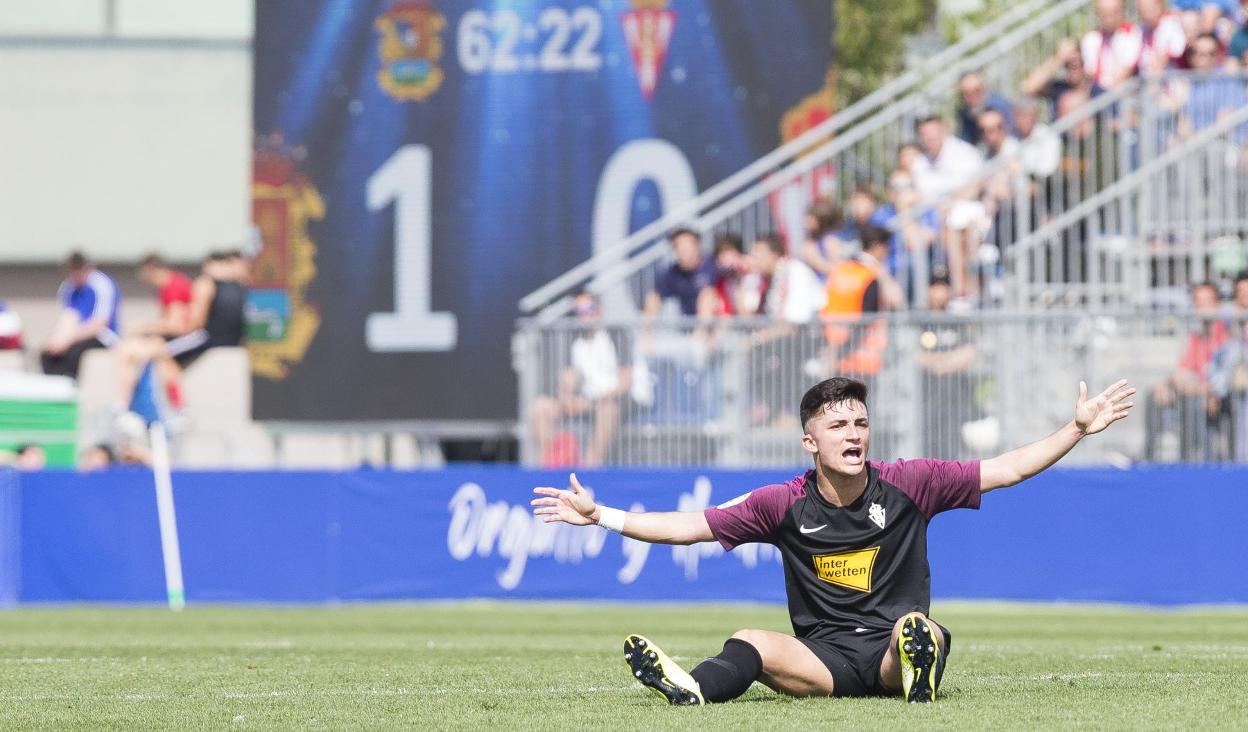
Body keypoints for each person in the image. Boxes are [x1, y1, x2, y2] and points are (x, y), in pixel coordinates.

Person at [532, 375, 1135, 705]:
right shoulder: (781, 503)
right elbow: (690, 527)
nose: (854, 434)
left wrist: (1076, 430)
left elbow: (1007, 469)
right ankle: (691, 688)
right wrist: (601, 515)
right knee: (748, 641)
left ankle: (917, 671)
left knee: (916, 633)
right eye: (838, 425)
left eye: (861, 423)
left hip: (890, 647)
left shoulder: (911, 482)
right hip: (823, 659)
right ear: (810, 442)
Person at [112, 252, 248, 419]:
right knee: (151, 351)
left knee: (160, 351)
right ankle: (128, 405)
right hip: (226, 338)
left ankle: (177, 408)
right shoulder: (240, 285)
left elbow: (188, 323)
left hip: (208, 337)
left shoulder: (196, 285)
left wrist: (145, 327)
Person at [530, 292, 628, 467]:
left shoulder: (616, 335)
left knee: (608, 410)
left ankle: (587, 471)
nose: (585, 315)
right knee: (540, 406)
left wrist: (591, 401)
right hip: (584, 402)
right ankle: (549, 468)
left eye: (589, 309)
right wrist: (567, 399)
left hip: (610, 401)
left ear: (600, 309)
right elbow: (567, 378)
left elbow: (625, 382)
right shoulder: (574, 341)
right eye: (579, 311)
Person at [1145, 281, 1229, 461]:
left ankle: (1201, 461)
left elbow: (1225, 376)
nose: (1201, 306)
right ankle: (1149, 458)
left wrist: (1205, 389)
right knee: (1154, 394)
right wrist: (1166, 384)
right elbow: (1182, 370)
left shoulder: (1227, 333)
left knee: (1194, 400)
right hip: (1196, 391)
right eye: (1197, 301)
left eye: (1206, 301)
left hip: (1219, 396)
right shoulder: (1194, 336)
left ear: (1217, 304)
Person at [917, 275, 981, 457]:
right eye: (935, 286)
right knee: (928, 447)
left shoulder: (957, 322)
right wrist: (948, 360)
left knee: (952, 449)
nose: (940, 292)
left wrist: (937, 363)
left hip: (955, 396)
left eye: (944, 287)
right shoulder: (921, 322)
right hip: (927, 397)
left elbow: (967, 355)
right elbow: (917, 357)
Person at [41, 252, 121, 379]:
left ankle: (71, 388)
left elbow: (100, 323)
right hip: (76, 334)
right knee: (47, 353)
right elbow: (68, 318)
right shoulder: (68, 288)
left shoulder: (102, 284)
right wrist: (56, 339)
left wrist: (68, 340)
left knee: (74, 352)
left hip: (102, 336)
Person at [1021, 38, 1106, 119]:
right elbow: (1028, 88)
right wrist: (1058, 59)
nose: (1072, 66)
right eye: (1067, 64)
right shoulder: (1059, 88)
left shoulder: (1097, 92)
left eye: (1077, 63)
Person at [644, 228, 716, 321]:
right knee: (653, 296)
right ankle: (646, 333)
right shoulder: (673, 272)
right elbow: (656, 294)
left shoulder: (713, 264)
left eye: (686, 245)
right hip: (688, 322)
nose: (681, 249)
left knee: (707, 295)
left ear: (697, 246)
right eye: (677, 246)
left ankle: (701, 332)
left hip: (720, 321)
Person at [1080, 0, 1143, 90]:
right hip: (1097, 91)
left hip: (1124, 92)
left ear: (1123, 11)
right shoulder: (1091, 38)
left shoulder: (1132, 33)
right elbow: (1089, 74)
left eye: (1114, 12)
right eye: (1105, 13)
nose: (1109, 18)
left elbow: (1126, 71)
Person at [955, 72, 1015, 145]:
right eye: (966, 93)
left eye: (976, 90)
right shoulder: (966, 114)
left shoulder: (1000, 107)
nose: (972, 96)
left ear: (984, 89)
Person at [1138, 0, 1191, 74]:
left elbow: (1162, 60)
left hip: (1173, 80)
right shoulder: (1141, 30)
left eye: (1149, 8)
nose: (1146, 12)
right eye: (1142, 9)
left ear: (1160, 5)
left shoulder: (1171, 24)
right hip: (1147, 80)